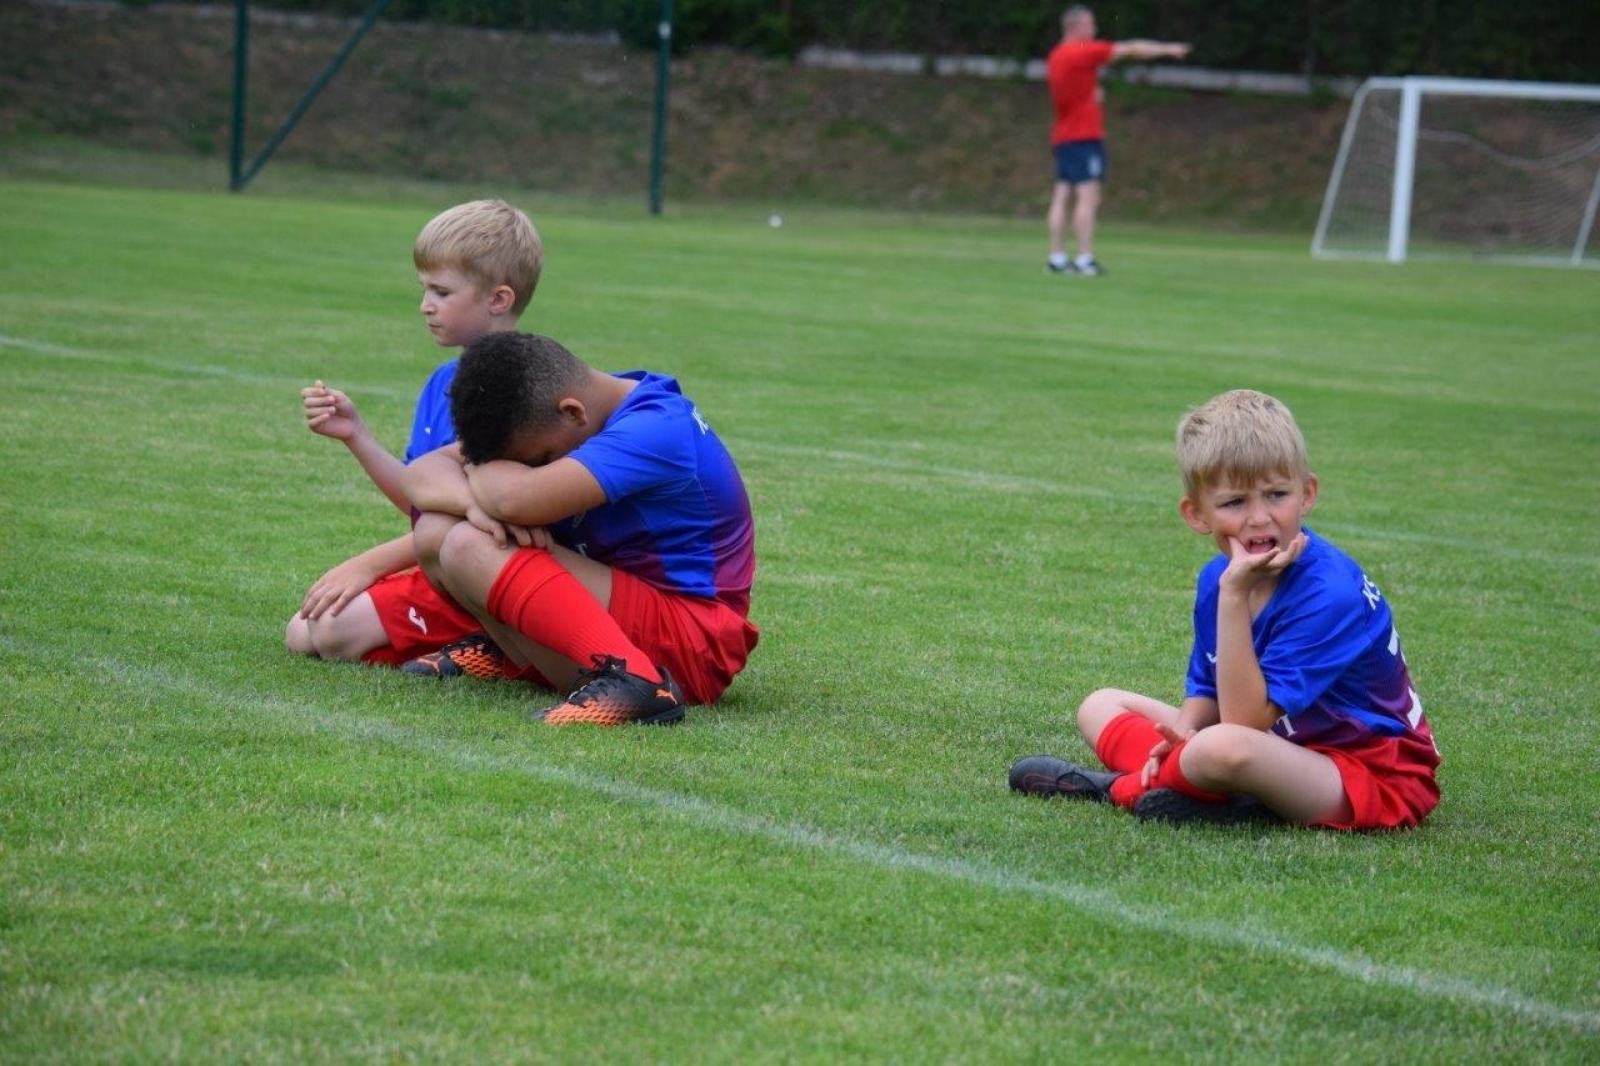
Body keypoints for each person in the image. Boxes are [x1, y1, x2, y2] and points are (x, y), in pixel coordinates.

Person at [1010, 389, 1440, 829]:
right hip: (1273, 746)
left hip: (1367, 775)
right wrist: (1182, 732)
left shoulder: (1329, 592)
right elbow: (1208, 687)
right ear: (1197, 515)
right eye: (1235, 502)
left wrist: (1234, 595)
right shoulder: (1217, 579)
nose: (1259, 517)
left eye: (1276, 494)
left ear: (1307, 493)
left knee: (1222, 748)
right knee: (1101, 704)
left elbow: (1245, 723)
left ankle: (1118, 789)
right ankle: (1207, 788)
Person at [400, 332, 759, 726]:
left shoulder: (656, 428)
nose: (535, 466)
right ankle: (513, 657)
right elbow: (421, 475)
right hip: (625, 608)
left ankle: (638, 681)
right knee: (435, 530)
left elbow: (512, 500)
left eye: (541, 459)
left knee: (468, 544)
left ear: (572, 413)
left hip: (692, 641)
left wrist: (478, 477)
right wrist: (472, 504)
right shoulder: (573, 406)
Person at [284, 199, 542, 677]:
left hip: (484, 570)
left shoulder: (518, 388)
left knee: (318, 633)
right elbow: (420, 503)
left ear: (499, 299)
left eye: (442, 292)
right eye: (424, 289)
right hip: (441, 561)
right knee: (306, 630)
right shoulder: (444, 378)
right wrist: (356, 436)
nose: (426, 305)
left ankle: (493, 646)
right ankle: (475, 645)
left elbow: (490, 523)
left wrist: (369, 564)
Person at [1045, 5, 1190, 276]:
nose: (1095, 30)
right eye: (1091, 25)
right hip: (1084, 135)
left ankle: (1056, 257)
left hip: (1063, 135)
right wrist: (1167, 49)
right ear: (1077, 27)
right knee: (1088, 196)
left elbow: (1070, 91)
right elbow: (1130, 49)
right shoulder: (1083, 51)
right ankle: (1084, 258)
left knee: (1062, 194)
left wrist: (1092, 94)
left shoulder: (1055, 56)